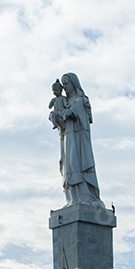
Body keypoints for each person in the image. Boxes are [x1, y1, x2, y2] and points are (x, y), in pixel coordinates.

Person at [57, 72, 102, 206]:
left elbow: (77, 115)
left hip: (78, 139)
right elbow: (62, 123)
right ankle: (72, 198)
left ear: (74, 84)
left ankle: (86, 197)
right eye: (63, 85)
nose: (65, 87)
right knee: (69, 167)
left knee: (77, 164)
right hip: (67, 138)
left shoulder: (81, 100)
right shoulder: (64, 102)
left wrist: (65, 113)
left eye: (67, 84)